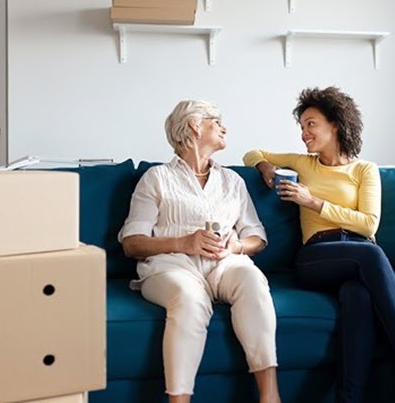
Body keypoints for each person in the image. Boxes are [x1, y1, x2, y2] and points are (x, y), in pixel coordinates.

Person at [243, 87, 395, 403]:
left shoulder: (365, 170)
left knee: (358, 295)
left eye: (311, 124)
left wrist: (314, 202)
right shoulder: (303, 163)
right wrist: (264, 166)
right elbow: (253, 152)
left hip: (359, 254)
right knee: (371, 255)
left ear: (335, 124)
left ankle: (347, 398)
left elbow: (368, 224)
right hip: (317, 256)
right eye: (302, 126)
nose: (303, 133)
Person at [120, 100, 281, 403]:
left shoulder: (232, 181)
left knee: (253, 280)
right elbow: (132, 242)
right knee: (189, 297)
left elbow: (256, 236)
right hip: (170, 266)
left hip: (224, 264)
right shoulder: (157, 178)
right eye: (216, 121)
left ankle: (270, 395)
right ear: (195, 125)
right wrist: (184, 242)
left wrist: (237, 246)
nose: (224, 127)